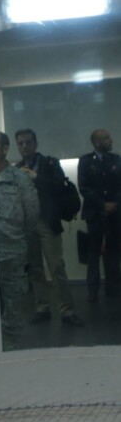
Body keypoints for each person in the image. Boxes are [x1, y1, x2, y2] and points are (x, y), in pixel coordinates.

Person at [14, 129, 83, 327]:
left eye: (28, 142)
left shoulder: (50, 163)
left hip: (47, 221)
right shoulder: (16, 168)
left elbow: (60, 188)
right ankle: (42, 308)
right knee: (34, 269)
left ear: (35, 143)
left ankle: (67, 311)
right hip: (27, 223)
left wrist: (36, 177)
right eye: (21, 143)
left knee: (56, 267)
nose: (25, 147)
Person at [0, 131, 39, 346]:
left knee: (13, 302)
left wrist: (18, 238)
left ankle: (11, 347)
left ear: (5, 149)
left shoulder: (19, 178)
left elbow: (32, 213)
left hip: (12, 250)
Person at [78, 129, 121, 302]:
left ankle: (113, 288)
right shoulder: (86, 161)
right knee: (93, 253)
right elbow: (84, 187)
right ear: (97, 142)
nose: (111, 140)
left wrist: (115, 203)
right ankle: (93, 291)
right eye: (106, 138)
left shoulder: (116, 160)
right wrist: (102, 204)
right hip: (95, 212)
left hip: (115, 212)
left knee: (113, 252)